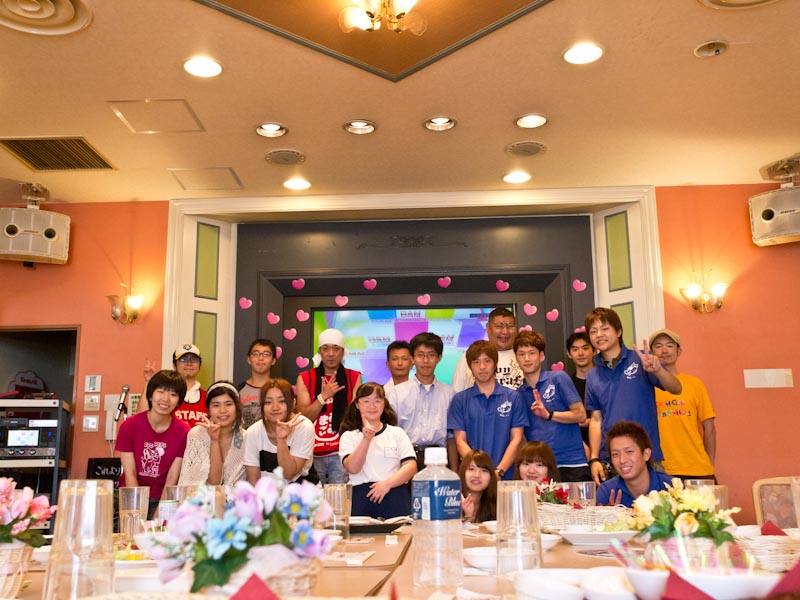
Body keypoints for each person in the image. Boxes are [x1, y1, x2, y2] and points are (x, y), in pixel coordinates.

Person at [583, 307, 681, 485]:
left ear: (619, 331)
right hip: (611, 460)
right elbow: (596, 420)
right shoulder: (593, 375)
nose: (599, 335)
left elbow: (676, 388)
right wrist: (594, 459)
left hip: (646, 456)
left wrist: (658, 371)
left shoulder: (641, 359)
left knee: (658, 503)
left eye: (605, 329)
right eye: (593, 331)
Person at [514, 331, 589, 482]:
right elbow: (521, 437)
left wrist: (549, 415)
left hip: (571, 463)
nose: (526, 359)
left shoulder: (558, 378)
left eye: (531, 353)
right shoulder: (518, 394)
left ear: (541, 356)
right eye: (521, 354)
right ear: (516, 358)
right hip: (540, 469)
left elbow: (580, 414)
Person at [448, 340, 528, 480]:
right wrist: (479, 471)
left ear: (495, 363)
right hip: (473, 478)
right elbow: (460, 441)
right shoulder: (460, 400)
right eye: (476, 362)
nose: (482, 367)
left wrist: (499, 471)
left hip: (506, 476)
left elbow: (516, 439)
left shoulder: (513, 397)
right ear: (470, 366)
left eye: (487, 361)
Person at [116, 370, 190, 518]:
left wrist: (160, 514)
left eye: (173, 394)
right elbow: (130, 474)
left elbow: (172, 477)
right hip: (132, 493)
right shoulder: (129, 426)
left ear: (178, 401)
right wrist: (138, 512)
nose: (165, 399)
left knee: (160, 531)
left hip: (163, 496)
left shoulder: (183, 430)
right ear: (150, 395)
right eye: (160, 392)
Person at [339, 382, 417, 518]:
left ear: (384, 404)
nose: (372, 406)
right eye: (366, 401)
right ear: (357, 405)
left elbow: (411, 466)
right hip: (361, 498)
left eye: (377, 401)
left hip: (394, 494)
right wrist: (366, 439)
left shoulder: (397, 433)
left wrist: (387, 484)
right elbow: (353, 468)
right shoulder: (349, 436)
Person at [296, 328, 363, 484]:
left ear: (343, 352)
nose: (331, 354)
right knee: (313, 498)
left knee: (341, 498)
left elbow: (356, 416)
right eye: (325, 349)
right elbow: (303, 419)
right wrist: (322, 397)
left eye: (336, 349)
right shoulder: (305, 377)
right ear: (319, 352)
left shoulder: (354, 377)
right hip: (311, 452)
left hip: (342, 452)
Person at [649, 329, 717, 481]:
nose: (664, 350)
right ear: (651, 352)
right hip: (661, 469)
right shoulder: (646, 386)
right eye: (658, 346)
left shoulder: (695, 384)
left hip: (697, 468)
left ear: (679, 351)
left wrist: (709, 463)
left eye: (669, 346)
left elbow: (709, 428)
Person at [387, 332, 456, 471]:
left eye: (431, 355)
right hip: (406, 459)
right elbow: (389, 435)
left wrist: (455, 472)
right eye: (420, 355)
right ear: (412, 358)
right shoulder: (396, 393)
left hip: (439, 460)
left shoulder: (449, 393)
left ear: (439, 358)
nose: (425, 360)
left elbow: (451, 436)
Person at [244, 378, 315, 484]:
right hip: (267, 492)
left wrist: (281, 440)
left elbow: (289, 474)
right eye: (268, 402)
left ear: (293, 403)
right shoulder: (252, 432)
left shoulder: (303, 427)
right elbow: (254, 482)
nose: (275, 407)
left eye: (282, 401)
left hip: (302, 491)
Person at [178, 380, 246, 488]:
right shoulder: (197, 434)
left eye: (228, 404)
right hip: (200, 497)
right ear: (208, 410)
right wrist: (214, 440)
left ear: (237, 407)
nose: (222, 410)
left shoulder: (245, 437)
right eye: (216, 405)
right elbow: (213, 483)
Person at [597, 420, 672, 507]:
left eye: (629, 451)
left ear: (646, 454)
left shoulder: (671, 488)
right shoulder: (607, 492)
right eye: (616, 454)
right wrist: (605, 513)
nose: (622, 460)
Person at [451, 307, 523, 392]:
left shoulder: (524, 356)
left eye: (510, 326)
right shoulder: (472, 354)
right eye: (499, 326)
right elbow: (457, 391)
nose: (505, 332)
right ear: (488, 328)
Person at [140, 343, 207, 428]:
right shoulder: (164, 396)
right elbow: (141, 418)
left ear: (199, 365)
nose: (189, 363)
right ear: (174, 365)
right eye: (183, 359)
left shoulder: (208, 397)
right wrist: (148, 382)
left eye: (194, 359)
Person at [237, 338, 277, 429]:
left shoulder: (279, 389)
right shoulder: (238, 390)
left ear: (273, 360)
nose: (260, 358)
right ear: (249, 359)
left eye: (266, 354)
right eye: (256, 354)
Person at [566, 331, 595, 450]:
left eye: (585, 348)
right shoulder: (566, 384)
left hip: (606, 443)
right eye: (575, 349)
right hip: (576, 447)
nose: (580, 353)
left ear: (594, 351)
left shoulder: (606, 381)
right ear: (569, 354)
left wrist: (589, 422)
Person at [459, 450, 498, 523]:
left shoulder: (497, 504)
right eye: (471, 469)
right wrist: (468, 516)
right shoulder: (451, 502)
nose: (477, 475)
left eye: (484, 470)